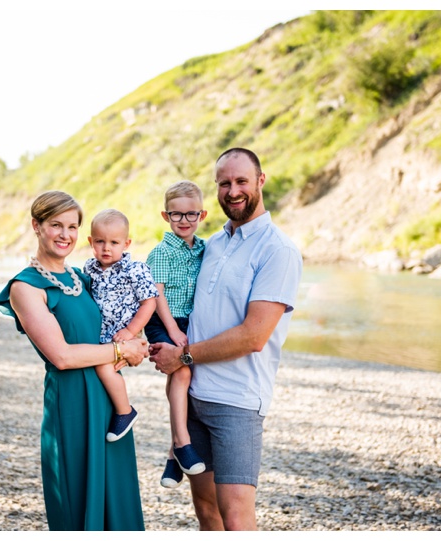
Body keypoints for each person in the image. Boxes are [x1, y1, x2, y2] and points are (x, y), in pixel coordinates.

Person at [149, 149, 303, 531]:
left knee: (235, 516)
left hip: (237, 400)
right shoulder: (211, 243)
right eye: (224, 183)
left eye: (241, 181)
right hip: (193, 396)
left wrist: (181, 357)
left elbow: (253, 336)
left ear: (260, 181)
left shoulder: (277, 250)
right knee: (206, 509)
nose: (232, 191)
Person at [0, 191, 147, 531]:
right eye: (56, 225)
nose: (65, 235)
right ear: (36, 226)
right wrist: (123, 351)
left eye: (73, 226)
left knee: (117, 500)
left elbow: (130, 307)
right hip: (72, 404)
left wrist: (139, 340)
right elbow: (61, 356)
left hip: (110, 404)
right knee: (76, 503)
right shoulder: (26, 287)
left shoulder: (86, 277)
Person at [144, 180, 208, 488]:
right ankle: (182, 444)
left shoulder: (203, 248)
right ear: (165, 216)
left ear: (202, 215)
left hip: (188, 322)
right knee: (181, 373)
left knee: (181, 377)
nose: (184, 221)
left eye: (190, 214)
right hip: (162, 320)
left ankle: (173, 459)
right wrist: (172, 329)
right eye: (176, 215)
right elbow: (157, 296)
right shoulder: (161, 253)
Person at [83, 208, 158, 442]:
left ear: (126, 243)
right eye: (100, 241)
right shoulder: (89, 269)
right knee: (95, 369)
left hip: (122, 335)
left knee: (103, 368)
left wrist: (131, 331)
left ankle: (125, 411)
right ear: (90, 242)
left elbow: (149, 303)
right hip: (100, 335)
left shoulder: (135, 270)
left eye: (114, 242)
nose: (107, 248)